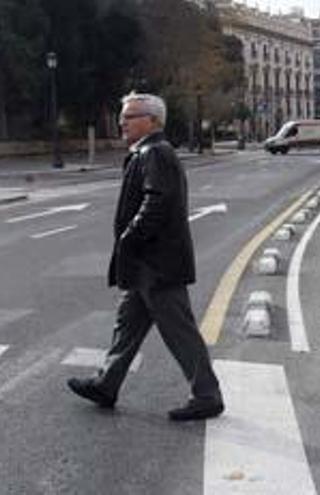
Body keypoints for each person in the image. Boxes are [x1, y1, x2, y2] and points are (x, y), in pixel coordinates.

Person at [67, 93, 224, 421]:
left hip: (157, 263)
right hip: (144, 263)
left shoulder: (156, 152)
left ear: (153, 120)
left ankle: (207, 395)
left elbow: (158, 200)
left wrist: (131, 235)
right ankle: (106, 384)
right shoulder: (147, 152)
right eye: (123, 116)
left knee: (179, 331)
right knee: (126, 328)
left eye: (131, 116)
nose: (123, 122)